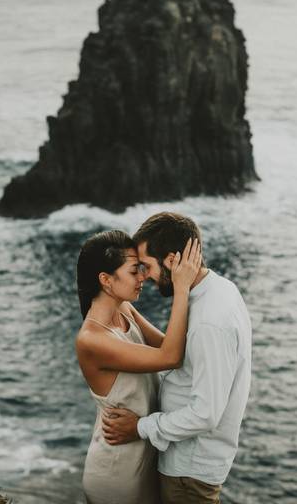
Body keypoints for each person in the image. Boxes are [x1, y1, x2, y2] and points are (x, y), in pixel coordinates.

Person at [101, 212, 252, 504]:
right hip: (190, 466)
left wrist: (139, 427)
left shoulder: (210, 321)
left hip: (189, 472)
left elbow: (206, 414)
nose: (143, 276)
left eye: (147, 266)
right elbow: (181, 355)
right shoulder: (218, 289)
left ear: (172, 261)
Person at [76, 229, 203, 504]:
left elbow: (172, 346)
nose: (143, 277)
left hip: (144, 462)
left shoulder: (124, 310)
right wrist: (181, 288)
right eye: (135, 270)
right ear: (106, 280)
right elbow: (171, 356)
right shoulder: (92, 340)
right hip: (116, 474)